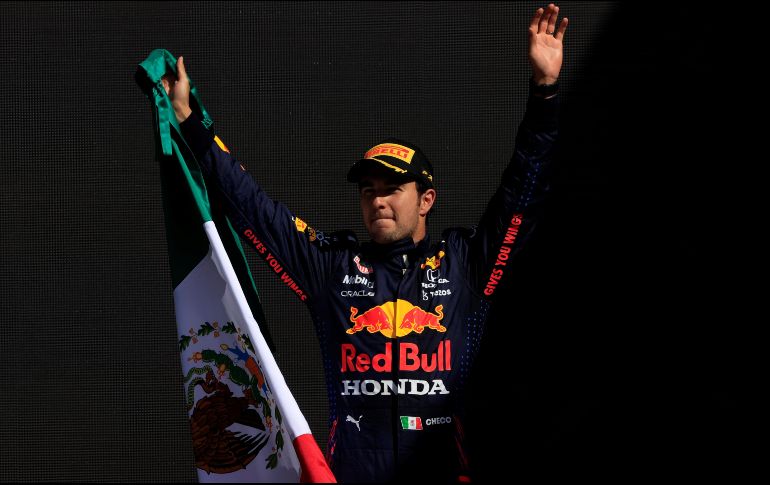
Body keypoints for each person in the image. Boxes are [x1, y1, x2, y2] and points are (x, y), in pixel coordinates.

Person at [163, 4, 567, 482]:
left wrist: (545, 92)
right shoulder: (333, 267)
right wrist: (191, 123)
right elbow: (256, 210)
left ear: (426, 200)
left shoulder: (463, 265)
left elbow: (524, 193)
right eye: (368, 191)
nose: (378, 201)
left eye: (392, 189)